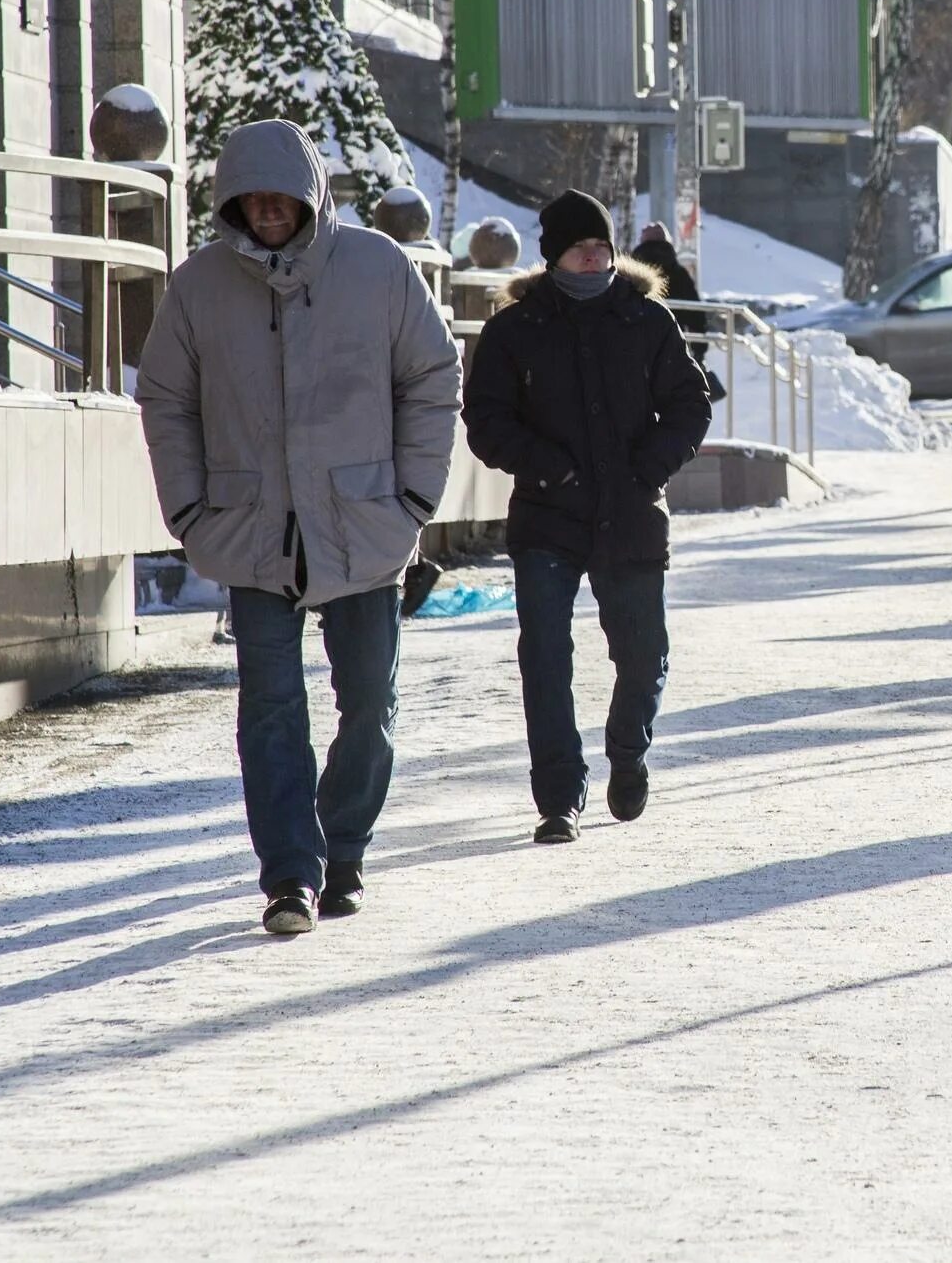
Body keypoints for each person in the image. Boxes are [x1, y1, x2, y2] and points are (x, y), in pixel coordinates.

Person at [137, 122, 462, 936]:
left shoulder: (379, 269)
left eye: (281, 196)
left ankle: (341, 846)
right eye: (253, 198)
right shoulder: (200, 285)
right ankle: (289, 874)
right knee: (270, 710)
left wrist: (413, 498)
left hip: (365, 525)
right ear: (232, 202)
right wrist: (189, 509)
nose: (269, 210)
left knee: (369, 707)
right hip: (250, 529)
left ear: (310, 194)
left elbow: (433, 375)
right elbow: (165, 397)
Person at [463, 190, 713, 844]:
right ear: (553, 255)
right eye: (582, 246)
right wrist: (547, 464)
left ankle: (627, 749)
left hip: (632, 513)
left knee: (644, 654)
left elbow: (691, 404)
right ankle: (558, 796)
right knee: (545, 658)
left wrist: (648, 467)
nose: (595, 255)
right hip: (549, 515)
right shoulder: (514, 329)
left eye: (602, 245)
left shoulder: (646, 319)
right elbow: (485, 421)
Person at [632, 222, 724, 405]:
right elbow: (696, 314)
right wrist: (699, 351)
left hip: (636, 346)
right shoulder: (679, 273)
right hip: (674, 346)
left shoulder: (631, 270)